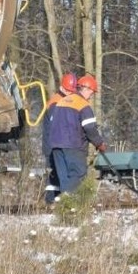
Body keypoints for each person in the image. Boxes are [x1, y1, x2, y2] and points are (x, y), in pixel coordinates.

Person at [48, 74, 108, 196]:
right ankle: (68, 200)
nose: (91, 96)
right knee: (78, 174)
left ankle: (66, 208)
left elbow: (52, 122)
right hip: (74, 145)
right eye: (92, 92)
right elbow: (90, 128)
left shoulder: (61, 101)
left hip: (56, 146)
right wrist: (99, 144)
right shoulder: (83, 105)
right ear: (85, 89)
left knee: (64, 178)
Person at [41, 72, 77, 204]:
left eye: (71, 91)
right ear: (62, 88)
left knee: (56, 174)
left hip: (55, 144)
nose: (69, 93)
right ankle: (53, 201)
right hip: (53, 145)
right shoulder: (56, 103)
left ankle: (52, 201)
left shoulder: (62, 101)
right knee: (57, 173)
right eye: (68, 90)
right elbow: (56, 128)